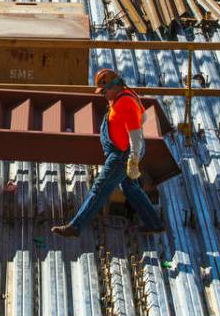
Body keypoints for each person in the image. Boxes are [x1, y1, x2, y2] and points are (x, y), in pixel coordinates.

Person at [51, 68, 163, 237]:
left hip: (123, 155)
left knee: (100, 189)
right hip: (124, 151)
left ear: (115, 86)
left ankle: (76, 226)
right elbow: (143, 118)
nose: (103, 95)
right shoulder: (124, 95)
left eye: (104, 91)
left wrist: (132, 161)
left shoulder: (126, 103)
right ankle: (154, 224)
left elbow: (136, 135)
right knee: (130, 188)